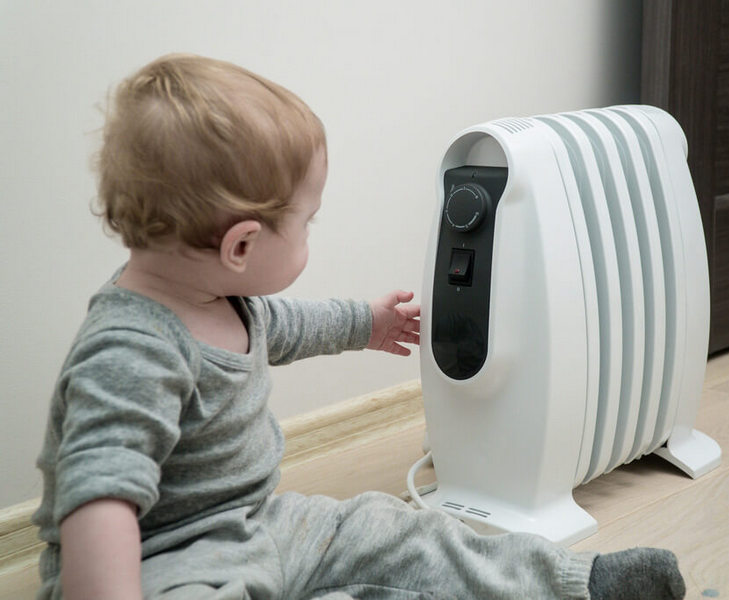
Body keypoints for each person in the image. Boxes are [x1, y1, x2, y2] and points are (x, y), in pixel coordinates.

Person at [32, 53, 686, 600]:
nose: (311, 231)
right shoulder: (129, 351)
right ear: (241, 246)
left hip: (259, 522)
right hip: (166, 567)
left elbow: (290, 325)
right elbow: (100, 501)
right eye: (306, 221)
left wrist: (368, 323)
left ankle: (574, 583)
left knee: (392, 527)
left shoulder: (218, 296)